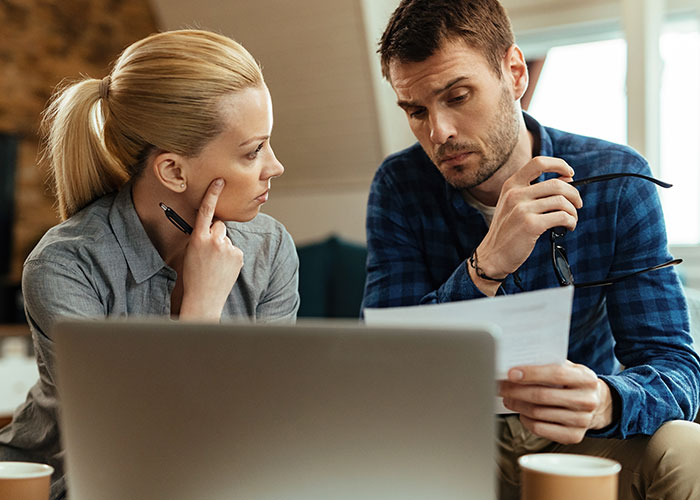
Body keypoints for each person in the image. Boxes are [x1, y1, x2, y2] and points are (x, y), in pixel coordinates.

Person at [362, 1, 700, 498]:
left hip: (579, 442)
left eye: (457, 96)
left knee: (687, 450)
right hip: (456, 442)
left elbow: (676, 367)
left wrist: (609, 400)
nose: (439, 133)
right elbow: (391, 369)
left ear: (514, 73)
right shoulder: (400, 186)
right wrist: (487, 265)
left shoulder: (617, 182)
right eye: (416, 110)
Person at [0, 29, 299, 500]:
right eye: (252, 151)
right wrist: (200, 307)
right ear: (173, 171)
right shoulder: (65, 267)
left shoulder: (270, 248)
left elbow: (269, 418)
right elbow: (131, 449)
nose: (275, 167)